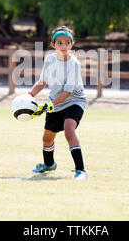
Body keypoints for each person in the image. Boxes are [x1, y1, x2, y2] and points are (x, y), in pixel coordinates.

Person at [28, 26, 88, 180]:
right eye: (59, 43)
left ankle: (80, 170)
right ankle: (48, 164)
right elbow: (42, 83)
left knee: (69, 130)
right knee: (47, 138)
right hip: (55, 103)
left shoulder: (74, 64)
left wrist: (49, 105)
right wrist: (29, 95)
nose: (63, 45)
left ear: (72, 44)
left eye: (67, 42)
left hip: (75, 101)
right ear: (53, 45)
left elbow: (67, 92)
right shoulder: (49, 60)